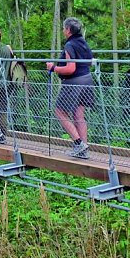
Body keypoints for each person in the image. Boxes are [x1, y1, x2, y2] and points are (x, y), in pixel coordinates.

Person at [46, 17, 94, 159]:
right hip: (87, 80)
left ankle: (79, 143)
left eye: (63, 28)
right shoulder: (83, 43)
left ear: (68, 30)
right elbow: (90, 62)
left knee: (59, 111)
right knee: (79, 115)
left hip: (74, 82)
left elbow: (70, 68)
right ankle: (83, 150)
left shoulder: (70, 45)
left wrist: (53, 68)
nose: (63, 31)